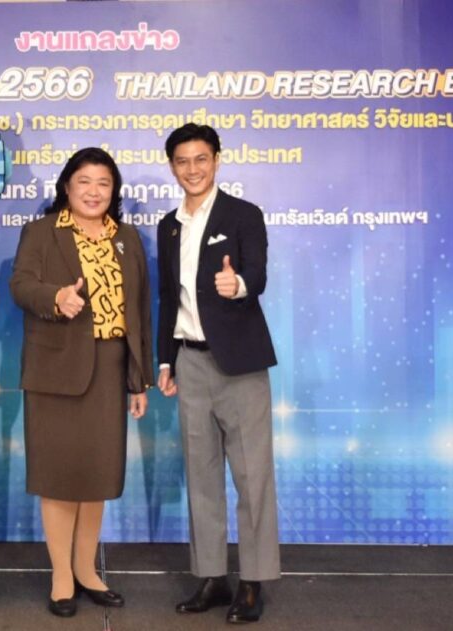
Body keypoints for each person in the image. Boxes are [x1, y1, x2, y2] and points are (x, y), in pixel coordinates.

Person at [10, 147, 154, 618]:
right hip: (56, 369)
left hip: (110, 369)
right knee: (59, 475)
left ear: (114, 191)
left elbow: (139, 311)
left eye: (103, 183)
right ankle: (61, 577)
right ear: (67, 187)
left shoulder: (127, 238)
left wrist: (139, 379)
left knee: (96, 475)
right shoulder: (42, 231)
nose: (94, 191)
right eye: (84, 182)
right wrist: (55, 298)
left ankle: (87, 570)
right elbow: (20, 285)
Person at [156, 124, 280, 624]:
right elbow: (169, 298)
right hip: (190, 361)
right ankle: (211, 576)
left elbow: (259, 275)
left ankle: (253, 581)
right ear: (173, 166)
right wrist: (166, 360)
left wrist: (239, 284)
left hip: (240, 365)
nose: (193, 169)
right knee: (201, 476)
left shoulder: (243, 214)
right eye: (183, 161)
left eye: (201, 159)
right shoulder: (168, 226)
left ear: (217, 160)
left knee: (253, 478)